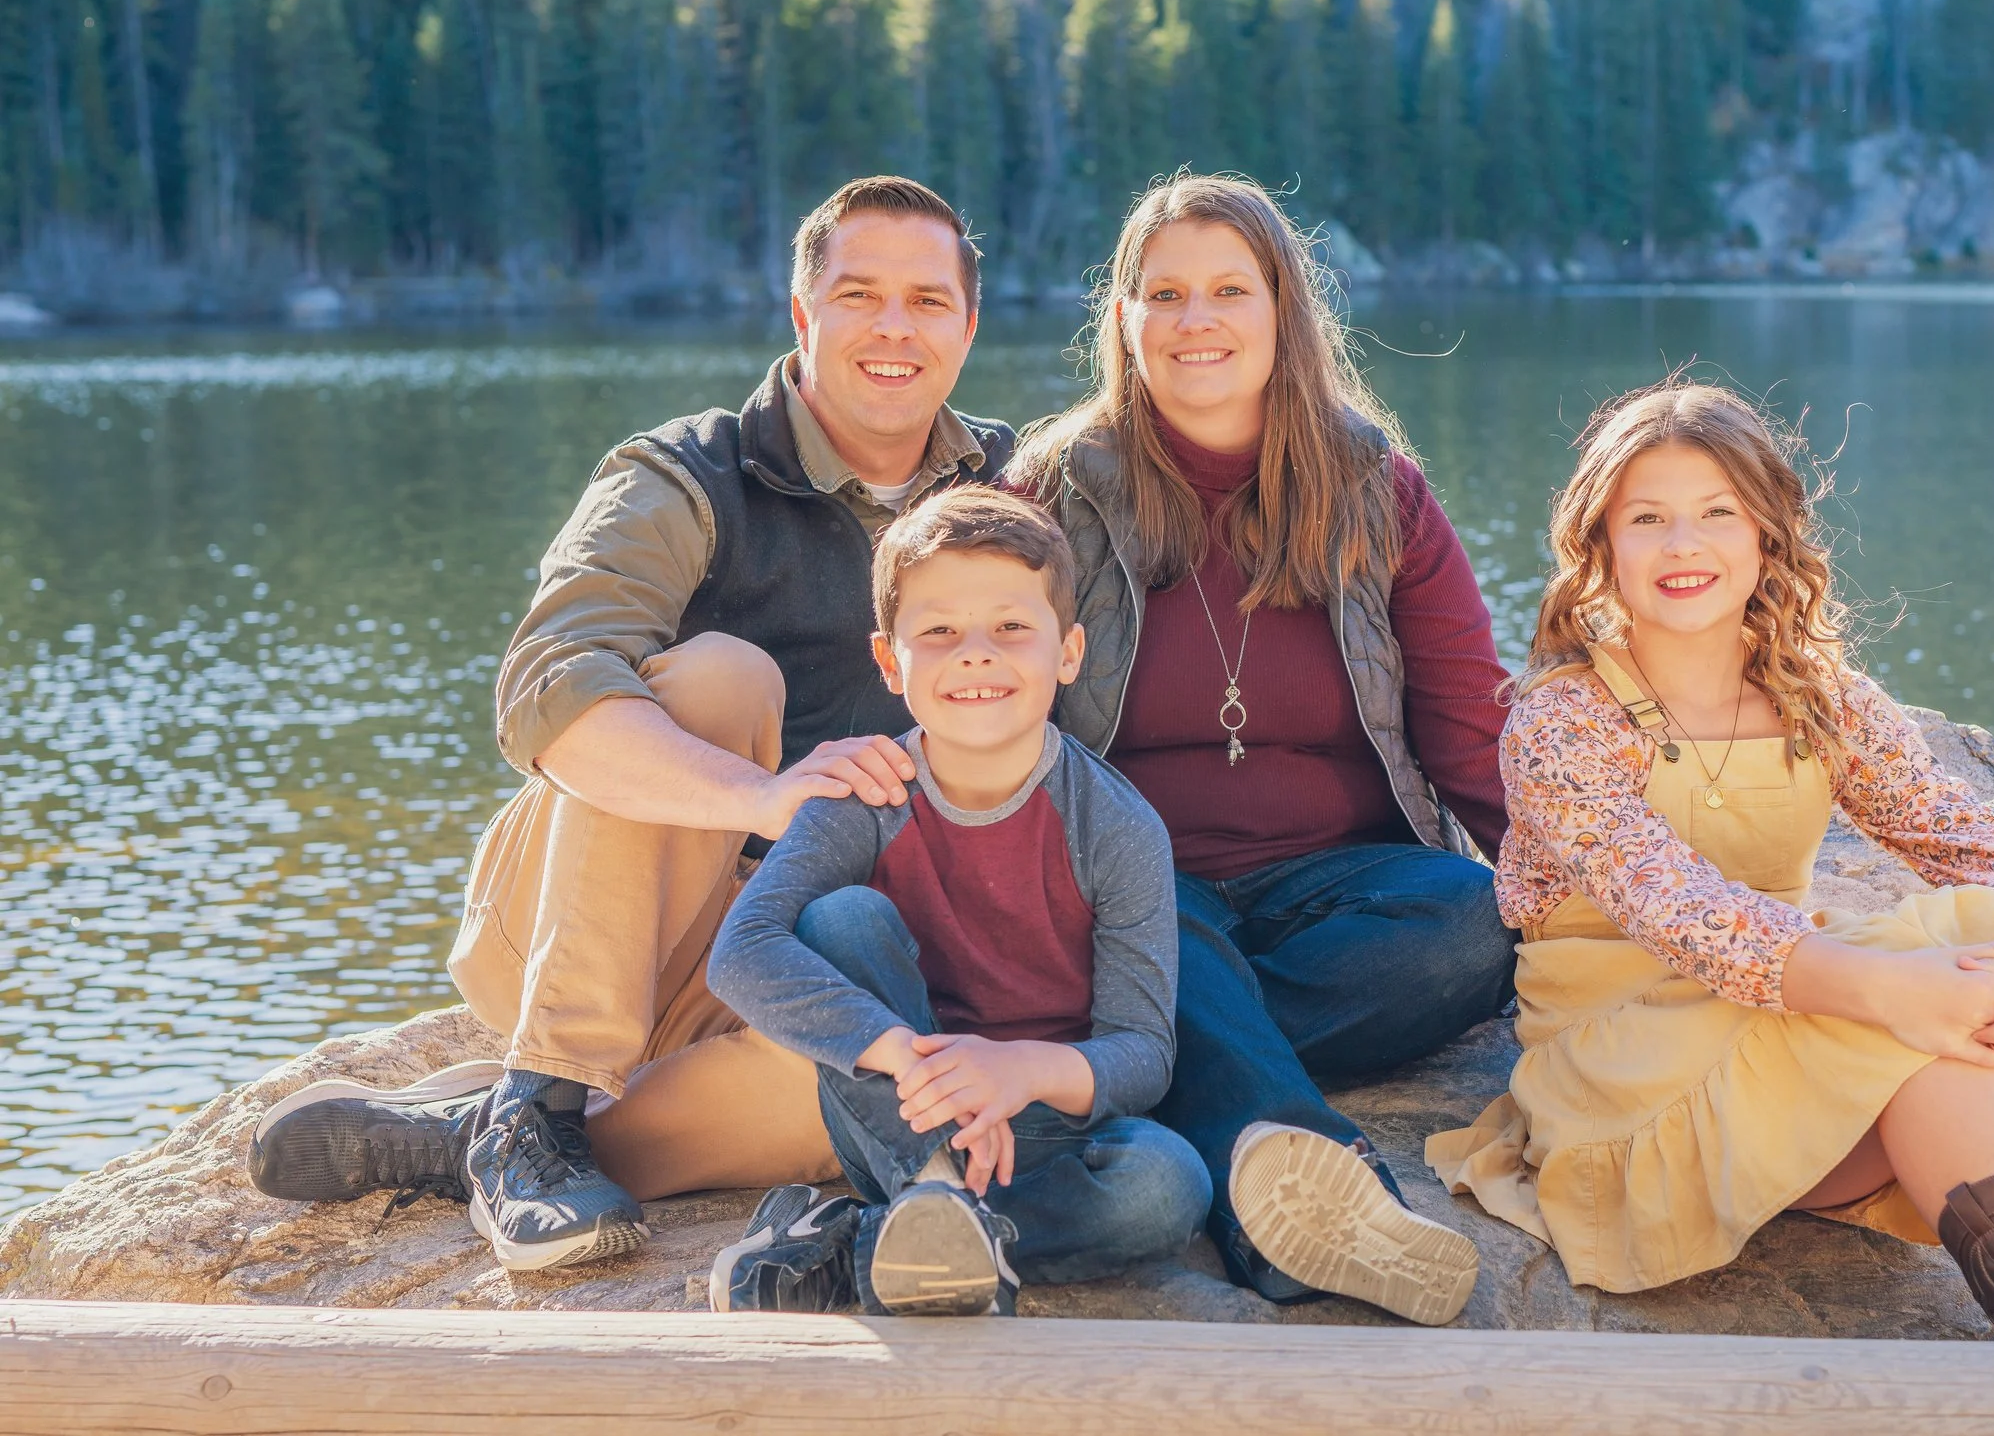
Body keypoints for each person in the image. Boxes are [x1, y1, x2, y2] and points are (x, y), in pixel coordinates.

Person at [247, 177, 1011, 1270]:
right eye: (859, 294)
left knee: (855, 1094)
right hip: (609, 923)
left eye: (928, 302)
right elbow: (547, 685)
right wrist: (757, 793)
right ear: (803, 314)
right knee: (717, 681)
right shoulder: (684, 476)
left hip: (781, 958)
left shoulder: (1011, 488)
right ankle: (541, 1092)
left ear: (969, 326)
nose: (894, 328)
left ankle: (493, 1138)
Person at [1425, 379, 1994, 1347]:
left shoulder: (1811, 695)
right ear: (1600, 546)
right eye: (1648, 519)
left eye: (1716, 514)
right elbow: (1689, 916)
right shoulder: (1560, 725)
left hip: (1786, 1021)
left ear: (1765, 537)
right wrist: (1890, 990)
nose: (1683, 546)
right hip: (1627, 1073)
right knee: (1923, 1035)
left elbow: (1960, 834)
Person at [1011, 174, 1507, 1326]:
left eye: (1229, 289)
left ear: (1283, 311)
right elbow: (980, 702)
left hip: (1337, 883)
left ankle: (1166, 1050)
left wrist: (1592, 905)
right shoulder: (1051, 491)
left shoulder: (1375, 488)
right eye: (1165, 292)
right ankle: (1309, 1200)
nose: (1197, 320)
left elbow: (1467, 724)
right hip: (1135, 877)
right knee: (1156, 938)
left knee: (1475, 926)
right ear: (1123, 319)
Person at [702, 487, 1208, 1315]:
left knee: (1167, 1184)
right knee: (839, 920)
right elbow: (743, 947)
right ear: (891, 661)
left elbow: (1143, 1052)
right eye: (938, 631)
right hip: (894, 1111)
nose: (976, 654)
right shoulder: (865, 794)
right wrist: (902, 1053)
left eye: (1011, 627)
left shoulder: (1116, 824)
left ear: (1069, 651)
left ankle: (867, 1240)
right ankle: (931, 1191)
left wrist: (1014, 1070)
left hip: (1040, 1123)